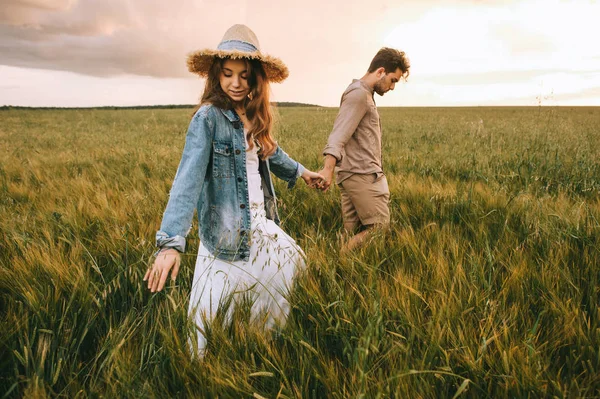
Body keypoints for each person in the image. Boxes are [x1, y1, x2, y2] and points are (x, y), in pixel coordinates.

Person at [143, 24, 323, 353]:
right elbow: (188, 178)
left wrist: (302, 172)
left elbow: (270, 152)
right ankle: (203, 373)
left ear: (256, 78)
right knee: (212, 319)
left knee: (280, 288)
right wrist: (170, 242)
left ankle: (258, 356)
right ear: (216, 75)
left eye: (244, 75)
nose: (235, 83)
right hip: (226, 229)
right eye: (227, 74)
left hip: (261, 226)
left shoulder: (255, 114)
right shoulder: (208, 118)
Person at [317, 47, 410, 253]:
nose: (392, 87)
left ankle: (337, 272)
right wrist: (327, 169)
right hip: (362, 174)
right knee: (379, 228)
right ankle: (338, 260)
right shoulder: (359, 94)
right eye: (393, 80)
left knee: (353, 233)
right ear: (380, 72)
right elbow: (339, 134)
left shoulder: (362, 93)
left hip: (352, 173)